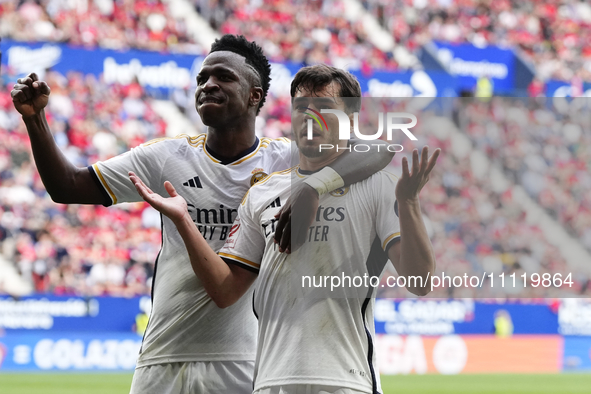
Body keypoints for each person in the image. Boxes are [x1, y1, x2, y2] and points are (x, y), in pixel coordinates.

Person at [11, 36, 395, 393]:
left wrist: (314, 185)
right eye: (202, 77)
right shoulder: (165, 157)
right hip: (162, 356)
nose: (207, 84)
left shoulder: (285, 159)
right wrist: (35, 120)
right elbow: (66, 186)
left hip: (245, 360)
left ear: (254, 96)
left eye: (223, 76)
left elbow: (381, 150)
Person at [130, 64, 439, 394]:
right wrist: (183, 220)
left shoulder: (377, 187)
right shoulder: (262, 193)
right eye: (301, 108)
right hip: (269, 384)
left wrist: (408, 203)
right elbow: (225, 291)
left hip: (346, 382)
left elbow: (420, 282)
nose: (310, 117)